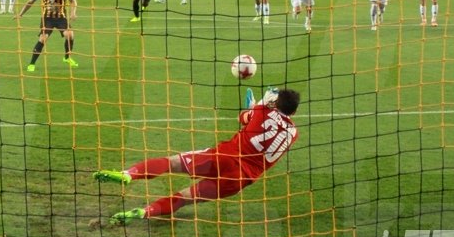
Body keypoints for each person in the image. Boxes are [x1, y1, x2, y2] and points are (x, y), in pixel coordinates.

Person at [94, 87, 300, 225]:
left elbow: (243, 118)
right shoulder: (293, 133)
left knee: (170, 164)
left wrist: (258, 105)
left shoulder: (263, 110)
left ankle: (129, 174)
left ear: (276, 103)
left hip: (223, 157)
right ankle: (143, 212)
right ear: (295, 111)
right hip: (239, 180)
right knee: (185, 198)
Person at [14, 0, 78, 71]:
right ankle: (32, 64)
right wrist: (21, 14)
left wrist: (73, 13)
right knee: (43, 39)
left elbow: (73, 1)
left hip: (61, 18)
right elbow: (30, 2)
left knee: (69, 35)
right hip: (47, 19)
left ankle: (67, 58)